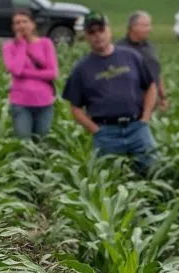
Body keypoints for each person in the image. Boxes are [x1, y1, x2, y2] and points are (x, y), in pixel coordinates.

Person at [61, 15, 158, 176]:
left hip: (137, 129)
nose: (97, 35)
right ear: (86, 37)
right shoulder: (81, 68)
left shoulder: (131, 56)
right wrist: (95, 130)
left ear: (109, 31)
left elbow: (151, 86)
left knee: (152, 172)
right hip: (106, 133)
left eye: (101, 30)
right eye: (92, 32)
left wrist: (145, 118)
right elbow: (75, 107)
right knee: (110, 180)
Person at [1, 9, 59, 139]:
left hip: (44, 102)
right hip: (21, 103)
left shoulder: (45, 43)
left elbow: (52, 73)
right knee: (23, 141)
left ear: (33, 24)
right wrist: (21, 45)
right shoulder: (9, 46)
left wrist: (26, 73)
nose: (21, 25)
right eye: (17, 23)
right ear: (13, 27)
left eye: (25, 21)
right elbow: (16, 70)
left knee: (41, 140)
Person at [117, 10, 169, 112]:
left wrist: (163, 97)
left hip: (152, 103)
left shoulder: (150, 47)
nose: (150, 29)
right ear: (133, 27)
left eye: (149, 25)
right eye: (145, 26)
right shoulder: (119, 49)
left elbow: (157, 73)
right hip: (131, 105)